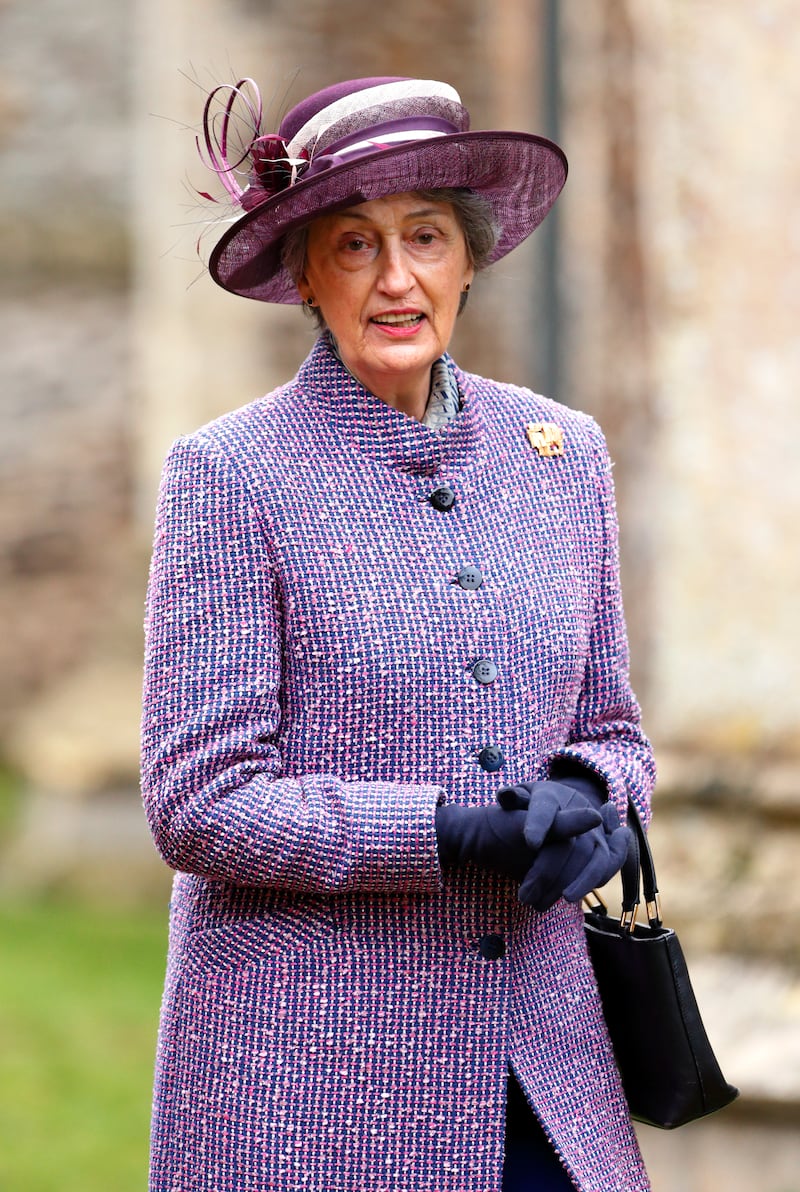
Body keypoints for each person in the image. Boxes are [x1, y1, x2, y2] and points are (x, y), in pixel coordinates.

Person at [141, 75, 656, 1192]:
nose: (394, 277)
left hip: (545, 1067)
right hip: (312, 1085)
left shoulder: (559, 455)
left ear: (468, 257)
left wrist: (587, 795)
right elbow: (196, 797)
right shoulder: (231, 475)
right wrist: (445, 829)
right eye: (352, 243)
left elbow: (614, 729)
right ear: (305, 276)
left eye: (424, 236)